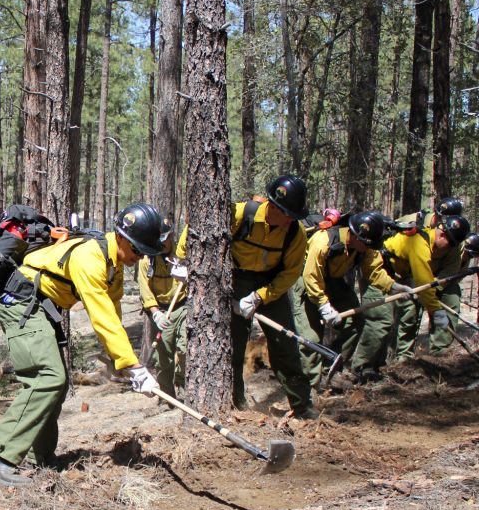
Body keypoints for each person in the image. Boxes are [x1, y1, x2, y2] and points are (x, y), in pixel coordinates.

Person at [0, 203, 164, 487]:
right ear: (122, 237)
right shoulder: (91, 258)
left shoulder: (114, 264)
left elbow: (112, 314)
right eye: (138, 250)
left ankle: (40, 459)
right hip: (20, 303)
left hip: (40, 308)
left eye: (144, 253)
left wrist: (120, 362)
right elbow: (99, 314)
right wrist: (134, 366)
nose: (139, 258)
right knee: (47, 377)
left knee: (57, 383)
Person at [177, 175, 316, 419]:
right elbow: (198, 228)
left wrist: (259, 298)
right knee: (232, 347)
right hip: (235, 282)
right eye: (288, 215)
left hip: (271, 287)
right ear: (273, 206)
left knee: (286, 347)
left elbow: (291, 273)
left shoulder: (295, 233)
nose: (290, 221)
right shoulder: (240, 214)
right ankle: (236, 405)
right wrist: (183, 260)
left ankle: (302, 406)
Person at [351, 215, 469, 375]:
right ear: (442, 234)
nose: (451, 249)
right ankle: (361, 368)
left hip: (398, 276)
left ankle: (385, 365)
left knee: (408, 314)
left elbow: (427, 284)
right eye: (451, 244)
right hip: (377, 271)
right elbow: (424, 284)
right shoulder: (419, 244)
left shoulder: (436, 243)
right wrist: (436, 312)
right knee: (381, 320)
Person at [290, 211, 390, 387]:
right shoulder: (323, 241)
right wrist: (324, 306)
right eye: (367, 245)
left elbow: (373, 271)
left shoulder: (364, 249)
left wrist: (392, 286)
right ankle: (309, 385)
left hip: (334, 282)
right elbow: (311, 277)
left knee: (355, 321)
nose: (369, 249)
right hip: (307, 283)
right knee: (310, 337)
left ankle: (331, 370)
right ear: (357, 237)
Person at [136, 222, 187, 397]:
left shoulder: (182, 254)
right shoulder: (146, 260)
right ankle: (168, 397)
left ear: (172, 236)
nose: (162, 244)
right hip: (161, 311)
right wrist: (155, 312)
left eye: (165, 239)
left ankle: (183, 382)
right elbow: (145, 289)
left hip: (182, 306)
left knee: (185, 348)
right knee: (163, 358)